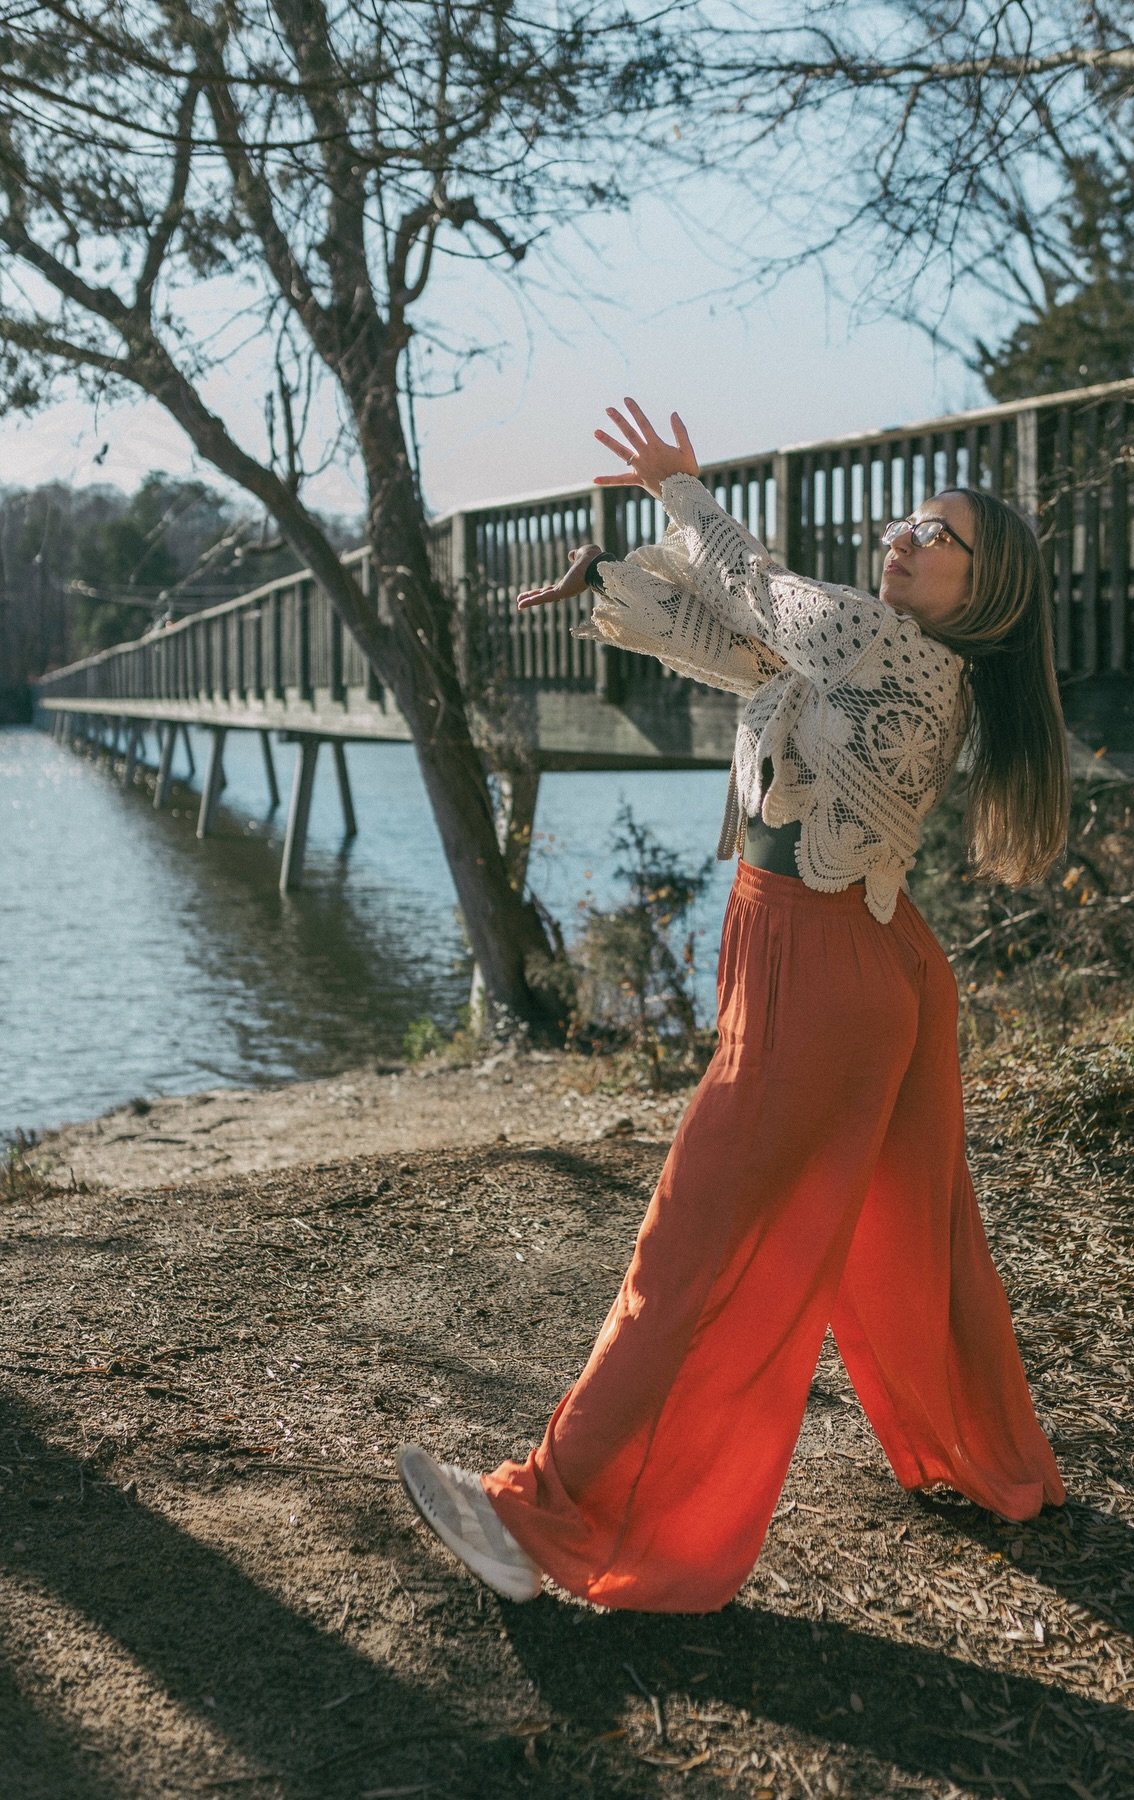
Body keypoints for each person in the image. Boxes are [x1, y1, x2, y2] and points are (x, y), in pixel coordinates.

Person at [397, 398, 1070, 1611]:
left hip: (829, 978)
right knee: (910, 1242)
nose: (905, 538)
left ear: (986, 593)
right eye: (910, 522)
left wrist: (682, 491)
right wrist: (608, 579)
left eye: (941, 536)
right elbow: (732, 641)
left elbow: (755, 588)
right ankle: (994, 1465)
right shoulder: (866, 648)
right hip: (840, 959)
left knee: (692, 1252)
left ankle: (542, 1521)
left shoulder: (891, 645)